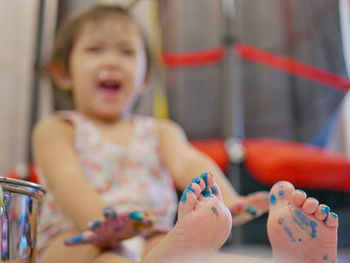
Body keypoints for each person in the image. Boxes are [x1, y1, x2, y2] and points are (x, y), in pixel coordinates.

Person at [32, 4, 338, 263]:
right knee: (110, 256)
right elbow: (67, 180)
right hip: (78, 237)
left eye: (126, 52)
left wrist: (229, 201)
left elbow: (190, 164)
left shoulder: (159, 131)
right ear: (63, 72)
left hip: (152, 237)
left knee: (167, 247)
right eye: (95, 50)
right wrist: (107, 224)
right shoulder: (58, 129)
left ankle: (290, 257)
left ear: (145, 78)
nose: (112, 61)